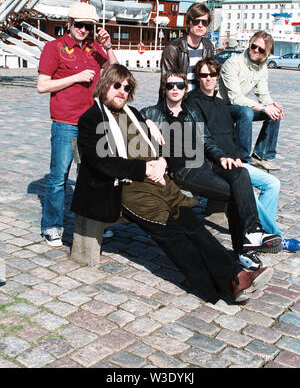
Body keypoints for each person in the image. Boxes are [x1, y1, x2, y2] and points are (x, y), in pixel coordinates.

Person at [70, 63, 274, 305]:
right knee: (171, 231)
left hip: (155, 182)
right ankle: (211, 287)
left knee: (193, 223)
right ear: (105, 86)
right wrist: (144, 168)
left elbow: (151, 144)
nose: (121, 91)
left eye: (126, 87)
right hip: (120, 188)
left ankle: (235, 277)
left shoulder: (133, 114)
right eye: (116, 85)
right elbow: (100, 162)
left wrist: (158, 161)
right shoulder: (91, 118)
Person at [141, 71, 282, 271]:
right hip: (185, 170)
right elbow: (130, 116)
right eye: (170, 85)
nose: (175, 89)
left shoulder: (192, 113)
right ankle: (244, 251)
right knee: (234, 193)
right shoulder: (154, 112)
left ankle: (252, 232)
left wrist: (222, 157)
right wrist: (147, 122)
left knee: (240, 172)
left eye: (180, 86)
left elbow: (206, 140)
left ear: (185, 89)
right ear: (164, 89)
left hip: (206, 163)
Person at [188, 57, 298, 253]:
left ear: (217, 76)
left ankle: (263, 234)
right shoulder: (192, 103)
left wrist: (237, 155)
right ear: (198, 78)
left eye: (212, 75)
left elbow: (231, 135)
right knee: (248, 194)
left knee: (273, 184)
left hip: (234, 161)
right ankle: (276, 238)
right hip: (215, 163)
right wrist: (223, 157)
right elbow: (202, 140)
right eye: (204, 75)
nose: (208, 79)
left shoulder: (221, 104)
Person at [37, 1, 118, 247]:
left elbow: (115, 72)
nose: (84, 30)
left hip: (92, 123)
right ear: (69, 23)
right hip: (64, 121)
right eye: (80, 25)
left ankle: (92, 225)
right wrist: (77, 77)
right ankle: (52, 225)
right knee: (59, 176)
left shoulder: (95, 47)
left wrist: (109, 46)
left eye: (88, 26)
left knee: (92, 175)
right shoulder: (54, 48)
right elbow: (42, 85)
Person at [218, 31, 284, 170]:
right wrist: (263, 107)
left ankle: (261, 155)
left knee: (274, 113)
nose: (256, 50)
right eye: (254, 46)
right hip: (222, 106)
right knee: (246, 112)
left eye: (261, 49)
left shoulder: (262, 68)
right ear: (250, 44)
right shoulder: (233, 63)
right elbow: (235, 97)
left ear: (266, 53)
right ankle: (243, 159)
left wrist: (271, 105)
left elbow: (263, 93)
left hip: (239, 105)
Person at [159, 3, 214, 98]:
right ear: (189, 23)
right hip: (179, 100)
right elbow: (168, 83)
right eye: (196, 21)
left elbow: (210, 78)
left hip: (201, 100)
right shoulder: (173, 48)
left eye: (204, 22)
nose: (200, 25)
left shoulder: (208, 47)